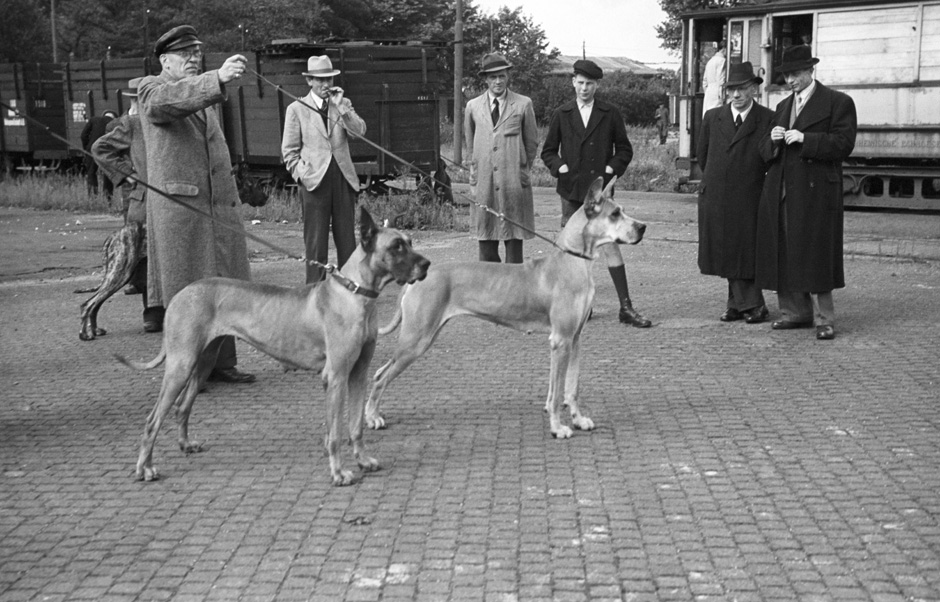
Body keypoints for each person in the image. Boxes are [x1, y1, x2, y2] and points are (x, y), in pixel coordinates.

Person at [137, 24, 255, 383]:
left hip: (216, 210)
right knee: (188, 296)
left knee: (225, 291)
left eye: (197, 53)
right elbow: (166, 103)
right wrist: (216, 78)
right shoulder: (151, 89)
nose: (193, 58)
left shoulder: (201, 96)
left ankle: (221, 364)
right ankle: (187, 374)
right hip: (182, 215)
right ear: (164, 60)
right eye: (185, 54)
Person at [755, 45, 857, 340]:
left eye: (796, 74)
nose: (790, 81)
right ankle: (794, 313)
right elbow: (764, 151)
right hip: (782, 190)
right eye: (787, 75)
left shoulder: (838, 102)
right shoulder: (782, 107)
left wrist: (806, 139)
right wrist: (773, 139)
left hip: (816, 193)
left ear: (811, 70)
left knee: (816, 253)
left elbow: (844, 144)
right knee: (784, 251)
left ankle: (825, 319)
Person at [541, 59, 651, 328]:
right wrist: (560, 167)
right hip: (572, 192)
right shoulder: (562, 114)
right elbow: (548, 151)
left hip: (601, 196)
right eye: (580, 83)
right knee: (572, 250)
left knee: (610, 246)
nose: (584, 88)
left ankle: (626, 307)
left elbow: (624, 149)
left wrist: (611, 169)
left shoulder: (609, 113)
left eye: (589, 84)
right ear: (573, 82)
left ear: (597, 85)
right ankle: (579, 305)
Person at [697, 62, 774, 325]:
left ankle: (751, 305)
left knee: (745, 249)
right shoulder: (712, 117)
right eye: (732, 90)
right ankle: (740, 305)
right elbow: (703, 155)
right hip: (717, 195)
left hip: (749, 195)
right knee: (725, 249)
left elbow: (769, 156)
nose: (737, 95)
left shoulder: (767, 118)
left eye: (742, 89)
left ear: (754, 89)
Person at [281, 55, 367, 284]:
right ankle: (314, 290)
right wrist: (303, 175)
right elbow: (289, 152)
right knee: (316, 243)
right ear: (309, 81)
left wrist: (342, 108)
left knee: (347, 241)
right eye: (320, 80)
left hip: (342, 178)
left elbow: (359, 132)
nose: (325, 84)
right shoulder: (296, 109)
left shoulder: (342, 104)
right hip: (314, 182)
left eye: (329, 79)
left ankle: (349, 288)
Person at [91, 77, 165, 332]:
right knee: (143, 259)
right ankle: (152, 312)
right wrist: (128, 173)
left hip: (164, 200)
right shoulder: (131, 124)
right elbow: (100, 148)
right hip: (143, 201)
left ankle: (163, 311)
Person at [463, 53, 539, 263]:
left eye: (502, 76)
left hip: (513, 182)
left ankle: (514, 282)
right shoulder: (473, 106)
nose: (497, 81)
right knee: (486, 239)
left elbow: (531, 143)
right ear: (485, 79)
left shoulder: (523, 104)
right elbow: (471, 144)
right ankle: (491, 281)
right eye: (493, 77)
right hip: (484, 182)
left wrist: (521, 169)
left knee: (514, 240)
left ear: (508, 77)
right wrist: (475, 173)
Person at [81, 110, 117, 197]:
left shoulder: (94, 120)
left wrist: (86, 148)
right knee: (108, 174)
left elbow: (83, 135)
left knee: (91, 173)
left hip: (92, 149)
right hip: (107, 150)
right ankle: (107, 198)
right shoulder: (115, 123)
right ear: (114, 117)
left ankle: (93, 197)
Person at [702, 42, 726, 115]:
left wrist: (707, 92)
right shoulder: (722, 61)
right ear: (724, 49)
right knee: (717, 114)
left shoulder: (710, 61)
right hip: (717, 91)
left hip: (709, 92)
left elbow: (704, 82)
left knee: (708, 114)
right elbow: (721, 79)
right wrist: (722, 96)